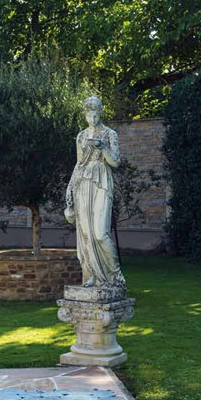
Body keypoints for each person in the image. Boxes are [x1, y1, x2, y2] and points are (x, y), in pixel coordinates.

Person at [64, 96, 125, 288]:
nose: (93, 118)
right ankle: (91, 275)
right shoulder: (81, 136)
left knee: (99, 233)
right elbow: (79, 165)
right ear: (85, 115)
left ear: (100, 113)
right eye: (89, 114)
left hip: (102, 182)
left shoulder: (109, 134)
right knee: (85, 233)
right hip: (83, 184)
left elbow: (115, 162)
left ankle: (115, 275)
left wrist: (103, 147)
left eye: (96, 114)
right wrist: (69, 196)